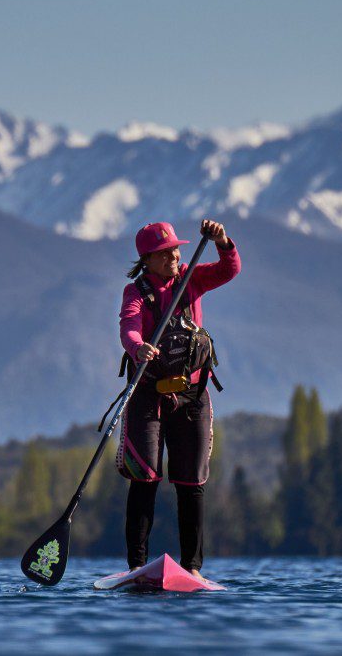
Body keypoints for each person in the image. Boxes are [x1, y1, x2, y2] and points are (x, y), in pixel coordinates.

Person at [116, 219, 240, 578]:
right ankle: (137, 567)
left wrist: (222, 241)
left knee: (191, 482)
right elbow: (129, 325)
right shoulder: (135, 291)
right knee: (145, 478)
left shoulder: (192, 277)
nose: (175, 255)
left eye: (176, 249)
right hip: (148, 394)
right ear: (148, 259)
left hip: (192, 394)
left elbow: (229, 270)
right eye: (166, 252)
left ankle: (193, 569)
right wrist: (138, 347)